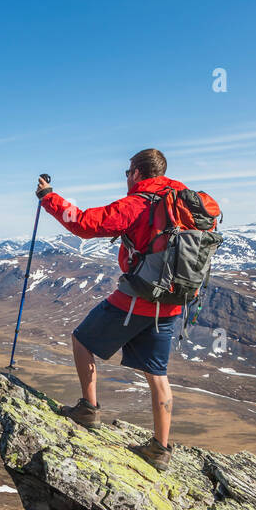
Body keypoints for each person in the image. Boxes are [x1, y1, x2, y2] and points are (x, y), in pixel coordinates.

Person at [34, 148, 185, 472]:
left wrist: (49, 197)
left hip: (137, 300)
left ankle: (89, 408)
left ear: (138, 173)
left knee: (82, 341)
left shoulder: (139, 203)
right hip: (172, 302)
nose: (126, 177)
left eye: (128, 172)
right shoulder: (184, 203)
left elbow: (86, 224)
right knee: (158, 374)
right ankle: (160, 448)